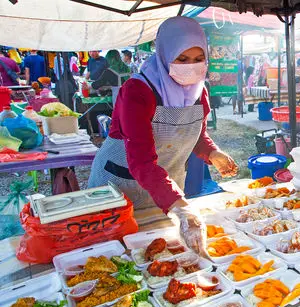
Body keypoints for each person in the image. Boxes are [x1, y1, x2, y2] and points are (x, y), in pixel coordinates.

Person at [88, 17, 238, 256]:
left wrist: (212, 152)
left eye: (199, 59)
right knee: (119, 255)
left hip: (166, 189)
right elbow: (141, 161)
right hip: (119, 184)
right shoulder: (137, 91)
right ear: (165, 55)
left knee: (162, 251)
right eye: (182, 59)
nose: (192, 66)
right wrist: (181, 207)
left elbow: (196, 134)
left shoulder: (200, 92)